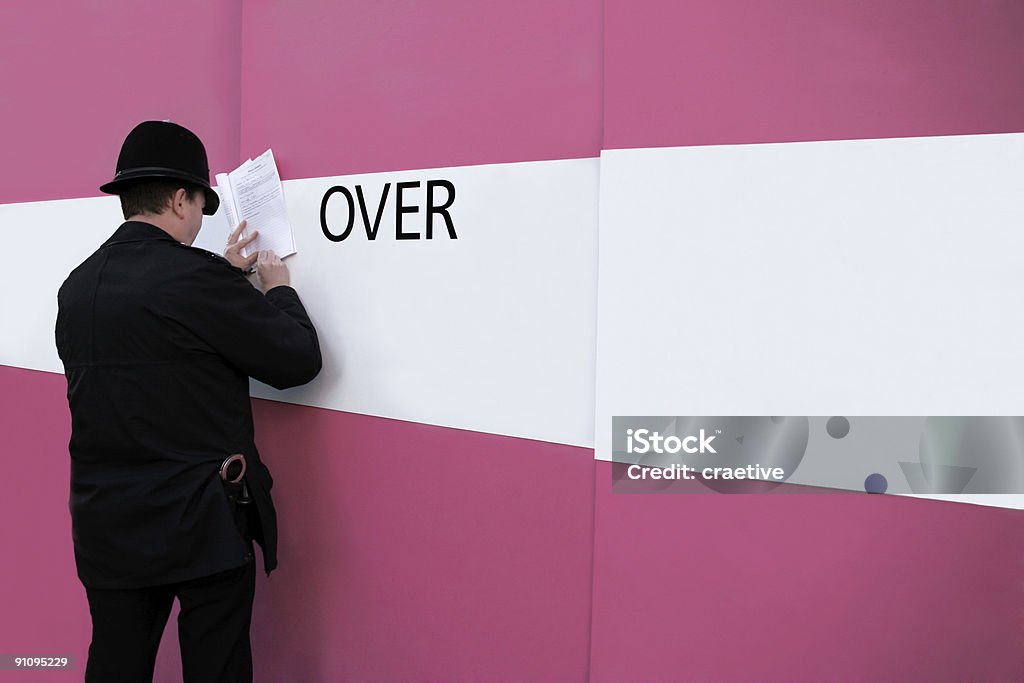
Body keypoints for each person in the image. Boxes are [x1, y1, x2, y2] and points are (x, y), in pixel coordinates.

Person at [55, 120, 322, 682]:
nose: (201, 219)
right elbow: (297, 361)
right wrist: (277, 290)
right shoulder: (194, 281)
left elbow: (159, 353)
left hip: (107, 530)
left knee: (115, 667)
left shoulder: (77, 287)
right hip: (200, 529)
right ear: (181, 198)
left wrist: (222, 278)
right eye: (201, 203)